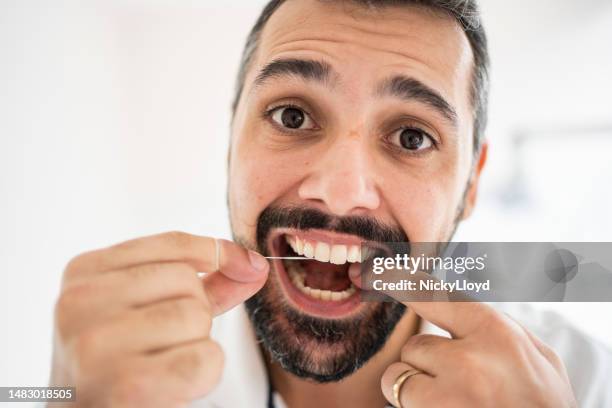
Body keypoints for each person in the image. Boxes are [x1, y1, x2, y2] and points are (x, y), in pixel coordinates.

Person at [49, 0, 612, 407]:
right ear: (231, 144)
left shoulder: (587, 384)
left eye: (412, 137)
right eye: (292, 116)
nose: (342, 191)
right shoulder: (120, 380)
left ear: (471, 183)